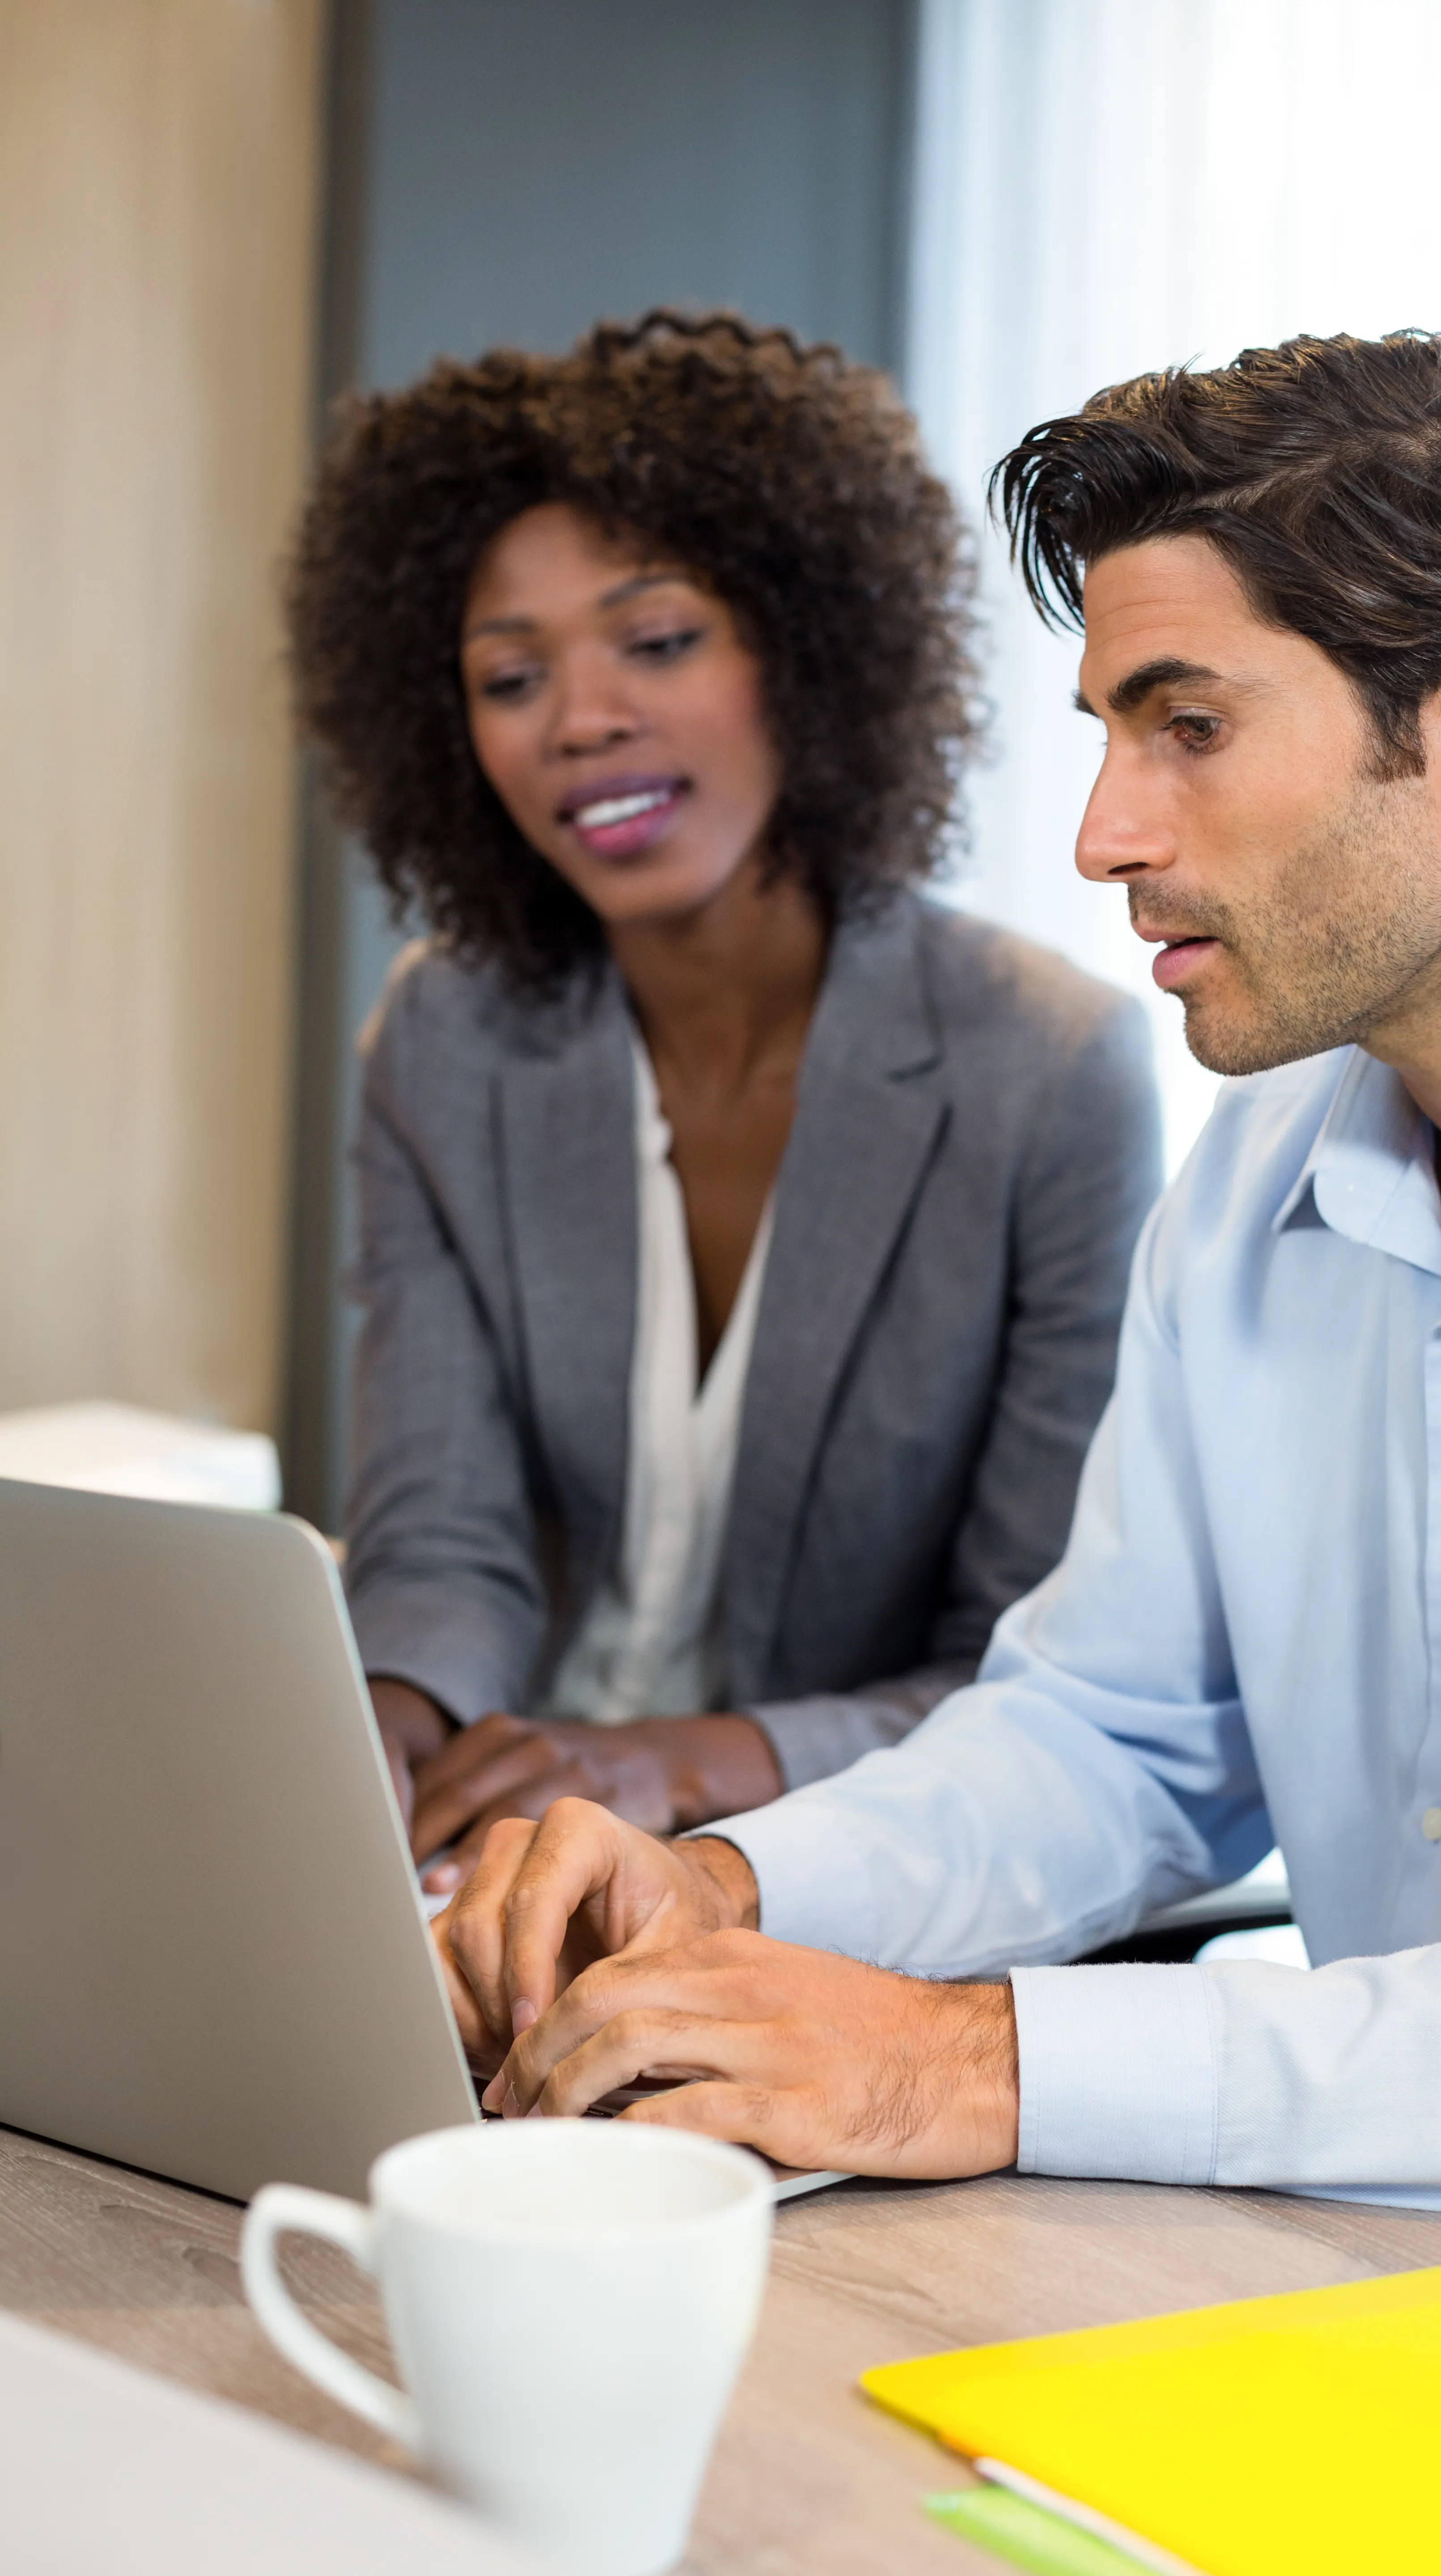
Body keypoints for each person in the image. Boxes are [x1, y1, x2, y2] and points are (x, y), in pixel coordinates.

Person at [435, 328, 1441, 2216]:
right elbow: (1116, 1739)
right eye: (1110, 735)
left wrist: (971, 2061)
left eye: (1188, 727)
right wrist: (732, 1888)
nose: (1104, 836)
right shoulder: (1261, 1181)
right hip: (1378, 2295)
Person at [287, 312, 1160, 1890]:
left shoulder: (1047, 1072)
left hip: (844, 1874)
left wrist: (682, 1764)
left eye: (660, 639)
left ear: (803, 649)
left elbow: (1046, 1670)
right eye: (508, 674)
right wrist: (386, 1727)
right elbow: (440, 1538)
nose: (580, 718)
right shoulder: (446, 1041)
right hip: (489, 1861)